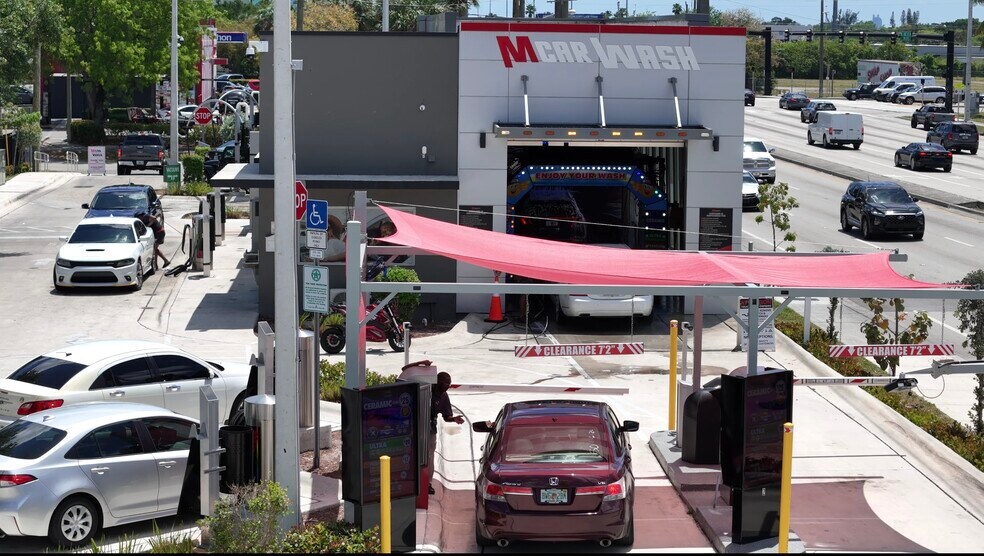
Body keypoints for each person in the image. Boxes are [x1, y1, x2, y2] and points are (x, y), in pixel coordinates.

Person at [429, 371, 464, 495]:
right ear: (438, 382)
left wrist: (454, 419)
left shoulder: (444, 396)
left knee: (429, 457)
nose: (448, 387)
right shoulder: (427, 389)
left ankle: (427, 483)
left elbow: (446, 416)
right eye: (446, 384)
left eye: (449, 384)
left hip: (431, 429)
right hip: (417, 427)